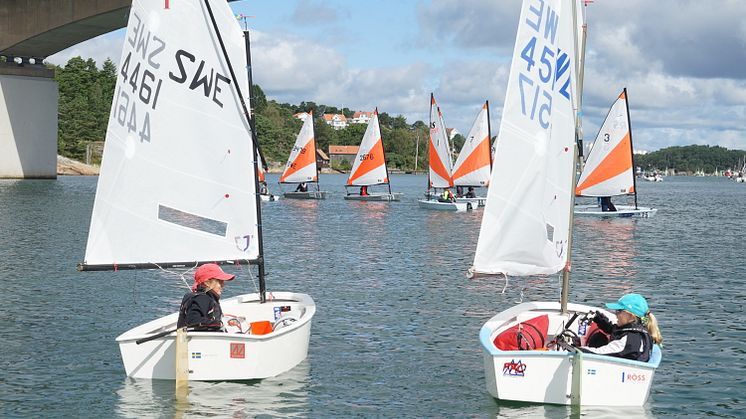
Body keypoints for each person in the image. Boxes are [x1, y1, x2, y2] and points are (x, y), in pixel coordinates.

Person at [580, 293, 663, 362]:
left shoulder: (631, 340)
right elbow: (617, 332)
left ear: (631, 316)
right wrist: (602, 322)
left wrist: (575, 349)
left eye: (619, 311)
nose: (616, 314)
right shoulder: (639, 333)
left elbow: (598, 353)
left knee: (597, 340)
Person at [177, 263, 235, 331]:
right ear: (207, 283)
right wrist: (219, 324)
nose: (223, 285)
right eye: (220, 282)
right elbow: (193, 320)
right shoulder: (203, 298)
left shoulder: (201, 297)